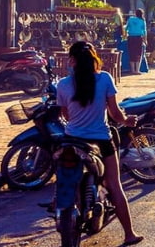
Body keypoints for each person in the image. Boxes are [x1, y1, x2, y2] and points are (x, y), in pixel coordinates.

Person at [56, 42, 143, 246]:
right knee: (114, 185)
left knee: (62, 174)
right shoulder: (104, 79)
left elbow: (65, 115)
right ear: (94, 58)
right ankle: (129, 234)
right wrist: (127, 121)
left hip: (72, 140)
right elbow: (114, 113)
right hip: (101, 141)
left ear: (72, 61)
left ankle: (57, 202)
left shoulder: (63, 84)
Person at [125, 9, 146, 75]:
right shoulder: (142, 21)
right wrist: (145, 40)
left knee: (131, 53)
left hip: (131, 38)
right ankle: (137, 70)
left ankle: (132, 70)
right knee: (138, 54)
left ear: (135, 13)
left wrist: (125, 36)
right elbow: (145, 32)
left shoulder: (130, 19)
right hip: (139, 38)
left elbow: (126, 28)